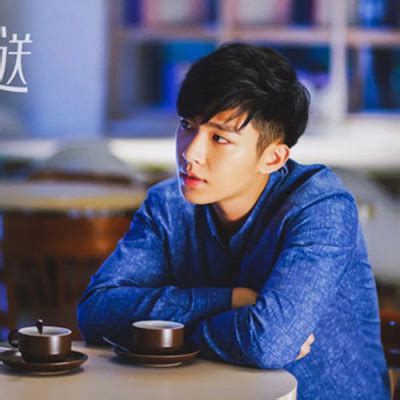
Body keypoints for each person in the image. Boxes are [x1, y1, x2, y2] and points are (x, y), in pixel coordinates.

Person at [78, 43, 390, 399]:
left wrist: (162, 335)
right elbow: (97, 314)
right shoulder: (168, 204)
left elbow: (268, 343)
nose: (191, 153)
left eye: (219, 138)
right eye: (187, 126)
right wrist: (231, 301)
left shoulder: (320, 208)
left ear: (273, 158)